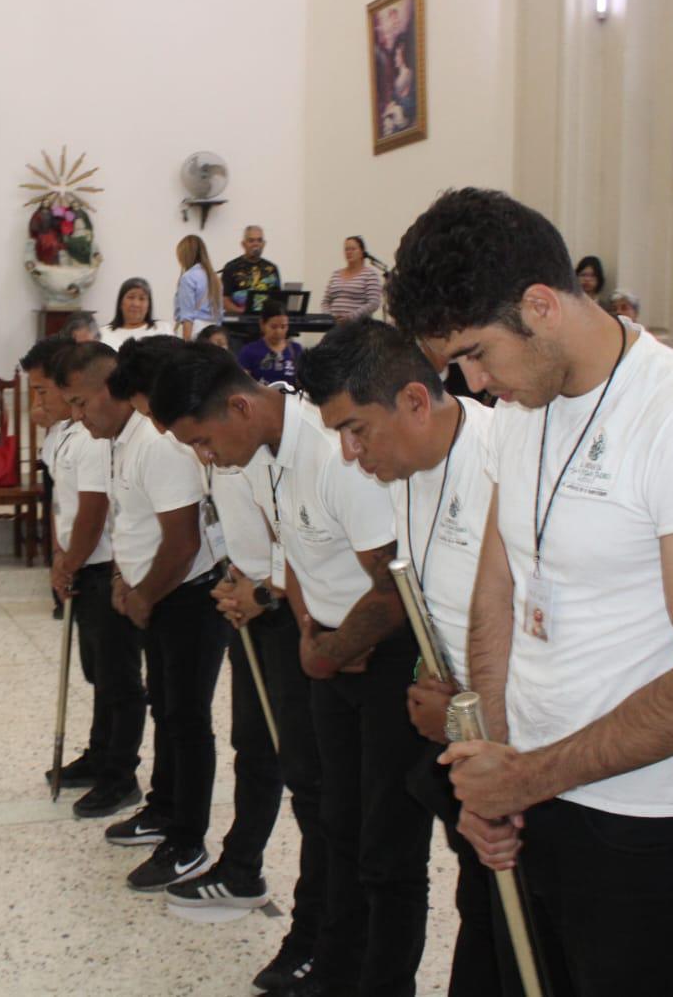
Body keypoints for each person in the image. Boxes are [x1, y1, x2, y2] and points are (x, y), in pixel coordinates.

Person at [387, 187, 673, 995]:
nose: (473, 381)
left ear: (540, 306)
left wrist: (527, 777)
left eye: (474, 353)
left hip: (650, 823)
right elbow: (498, 589)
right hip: (534, 791)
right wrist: (494, 765)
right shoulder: (524, 407)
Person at [150, 345, 423, 996]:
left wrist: (328, 647)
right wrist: (305, 626)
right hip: (323, 649)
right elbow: (293, 551)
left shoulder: (334, 454)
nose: (205, 459)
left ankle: (375, 976)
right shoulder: (264, 458)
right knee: (330, 815)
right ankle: (330, 958)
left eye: (204, 442)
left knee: (384, 846)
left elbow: (393, 588)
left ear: (240, 406)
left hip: (378, 658)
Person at [301, 321, 519, 996]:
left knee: (518, 937)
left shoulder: (499, 461)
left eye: (356, 429)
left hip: (521, 747)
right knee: (477, 912)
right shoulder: (402, 470)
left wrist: (468, 713)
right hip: (463, 740)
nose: (348, 452)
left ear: (416, 402)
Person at [56, 341, 225, 892]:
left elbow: (181, 541)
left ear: (113, 390)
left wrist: (145, 595)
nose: (78, 417)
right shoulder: (120, 441)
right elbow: (133, 523)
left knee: (187, 718)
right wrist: (126, 581)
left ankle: (188, 840)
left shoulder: (157, 444)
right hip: (153, 591)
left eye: (83, 403)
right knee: (168, 711)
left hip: (187, 595)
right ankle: (162, 807)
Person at [23, 338, 144, 810]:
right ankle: (99, 754)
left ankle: (121, 773)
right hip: (79, 563)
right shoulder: (62, 434)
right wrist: (59, 554)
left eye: (42, 392)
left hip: (102, 565)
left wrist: (69, 561)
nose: (38, 402)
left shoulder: (92, 439)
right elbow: (63, 506)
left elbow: (94, 511)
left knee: (119, 677)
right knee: (99, 673)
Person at [237, 299, 302, 387]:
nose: (278, 332)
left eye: (283, 327)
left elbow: (303, 381)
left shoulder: (296, 349)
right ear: (262, 324)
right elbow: (242, 383)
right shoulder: (249, 351)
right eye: (273, 327)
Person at [321, 235, 384, 323]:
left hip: (358, 326)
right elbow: (325, 302)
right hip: (334, 327)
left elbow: (374, 303)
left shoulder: (370, 275)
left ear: (362, 252)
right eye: (346, 249)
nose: (349, 252)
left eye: (353, 249)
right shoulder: (336, 274)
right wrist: (330, 317)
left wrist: (351, 317)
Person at [221, 225, 282, 315]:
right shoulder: (231, 267)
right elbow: (224, 299)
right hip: (240, 321)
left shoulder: (272, 268)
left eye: (259, 240)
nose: (256, 244)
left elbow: (279, 298)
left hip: (266, 321)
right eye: (251, 240)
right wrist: (242, 312)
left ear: (264, 244)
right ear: (243, 244)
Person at [174, 234, 224, 341]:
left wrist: (186, 344)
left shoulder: (188, 278)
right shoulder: (215, 278)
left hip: (195, 333)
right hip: (215, 333)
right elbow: (220, 314)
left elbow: (187, 315)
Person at [100, 277, 173, 348]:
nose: (136, 304)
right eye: (131, 297)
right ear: (120, 303)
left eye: (142, 299)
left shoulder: (163, 328)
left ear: (149, 305)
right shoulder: (103, 333)